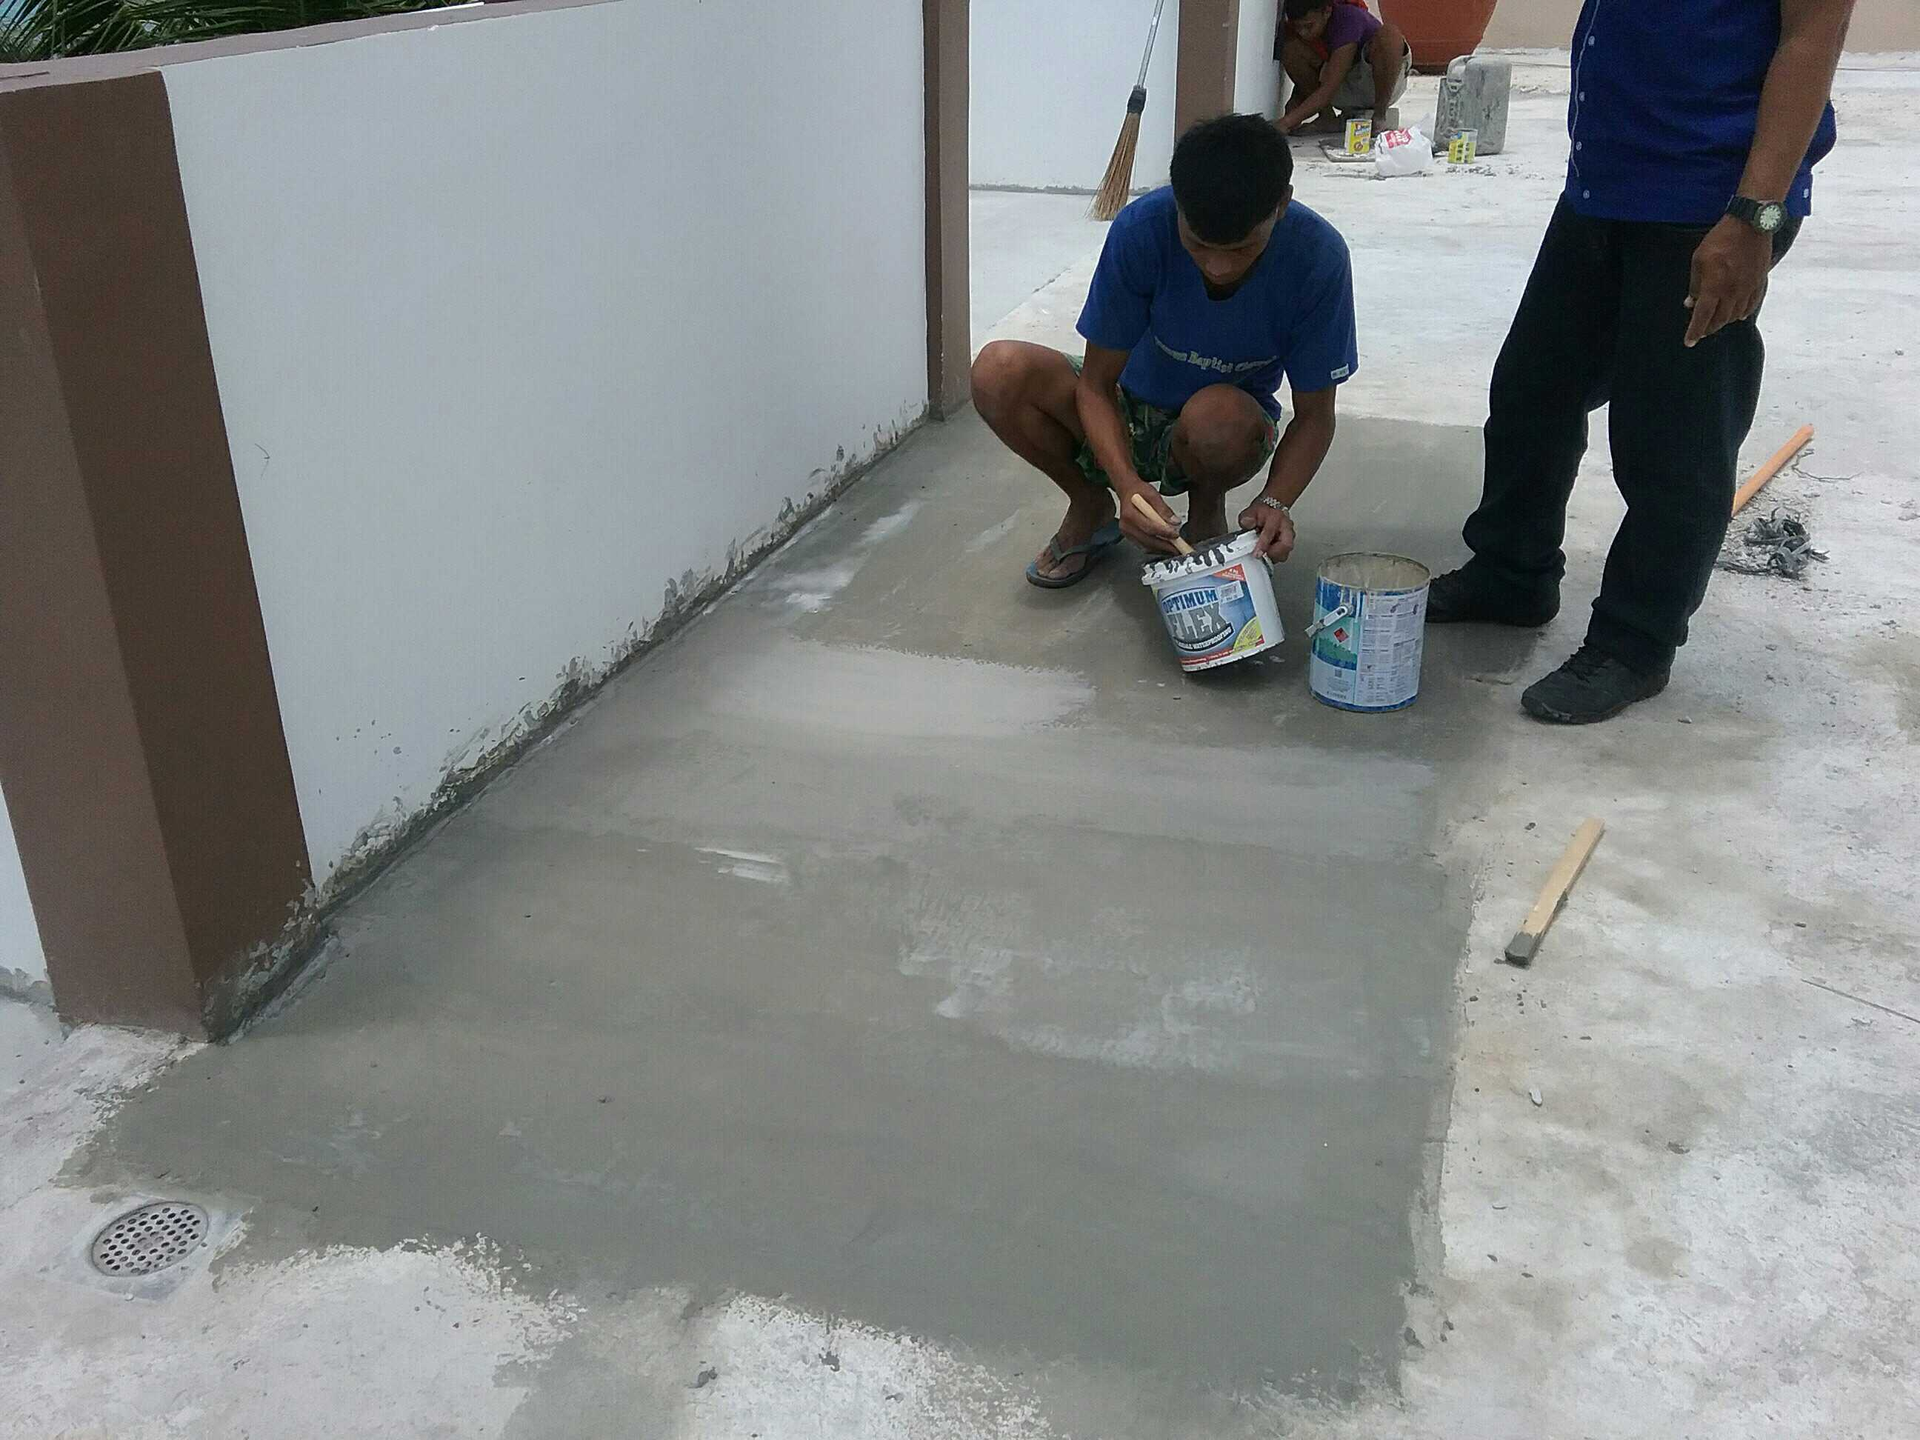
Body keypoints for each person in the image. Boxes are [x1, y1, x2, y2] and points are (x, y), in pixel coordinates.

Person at [1429, 0, 1852, 724]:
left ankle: (1634, 642)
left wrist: (1756, 216)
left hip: (1708, 202)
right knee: (1535, 390)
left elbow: (1810, 38)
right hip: (1604, 185)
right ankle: (1512, 573)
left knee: (1673, 437)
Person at [971, 114, 1357, 588]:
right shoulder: (1142, 229)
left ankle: (1205, 507)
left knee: (1220, 419)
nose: (1216, 266)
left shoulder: (1317, 258)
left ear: (1282, 205)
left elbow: (1316, 415)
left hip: (1224, 426)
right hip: (1125, 403)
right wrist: (1128, 487)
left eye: (1240, 250)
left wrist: (1276, 502)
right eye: (1197, 244)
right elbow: (1094, 387)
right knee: (998, 370)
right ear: (1177, 205)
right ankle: (1092, 507)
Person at [1276, 0, 1411, 136]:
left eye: (1308, 26)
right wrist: (1296, 101)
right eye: (1298, 28)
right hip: (1343, 87)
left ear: (1327, 12)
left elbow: (1329, 88)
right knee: (1290, 48)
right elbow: (1311, 75)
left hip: (1378, 86)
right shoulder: (1300, 32)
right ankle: (1327, 117)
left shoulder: (1348, 18)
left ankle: (1379, 118)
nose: (1303, 33)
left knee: (1390, 34)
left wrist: (1286, 122)